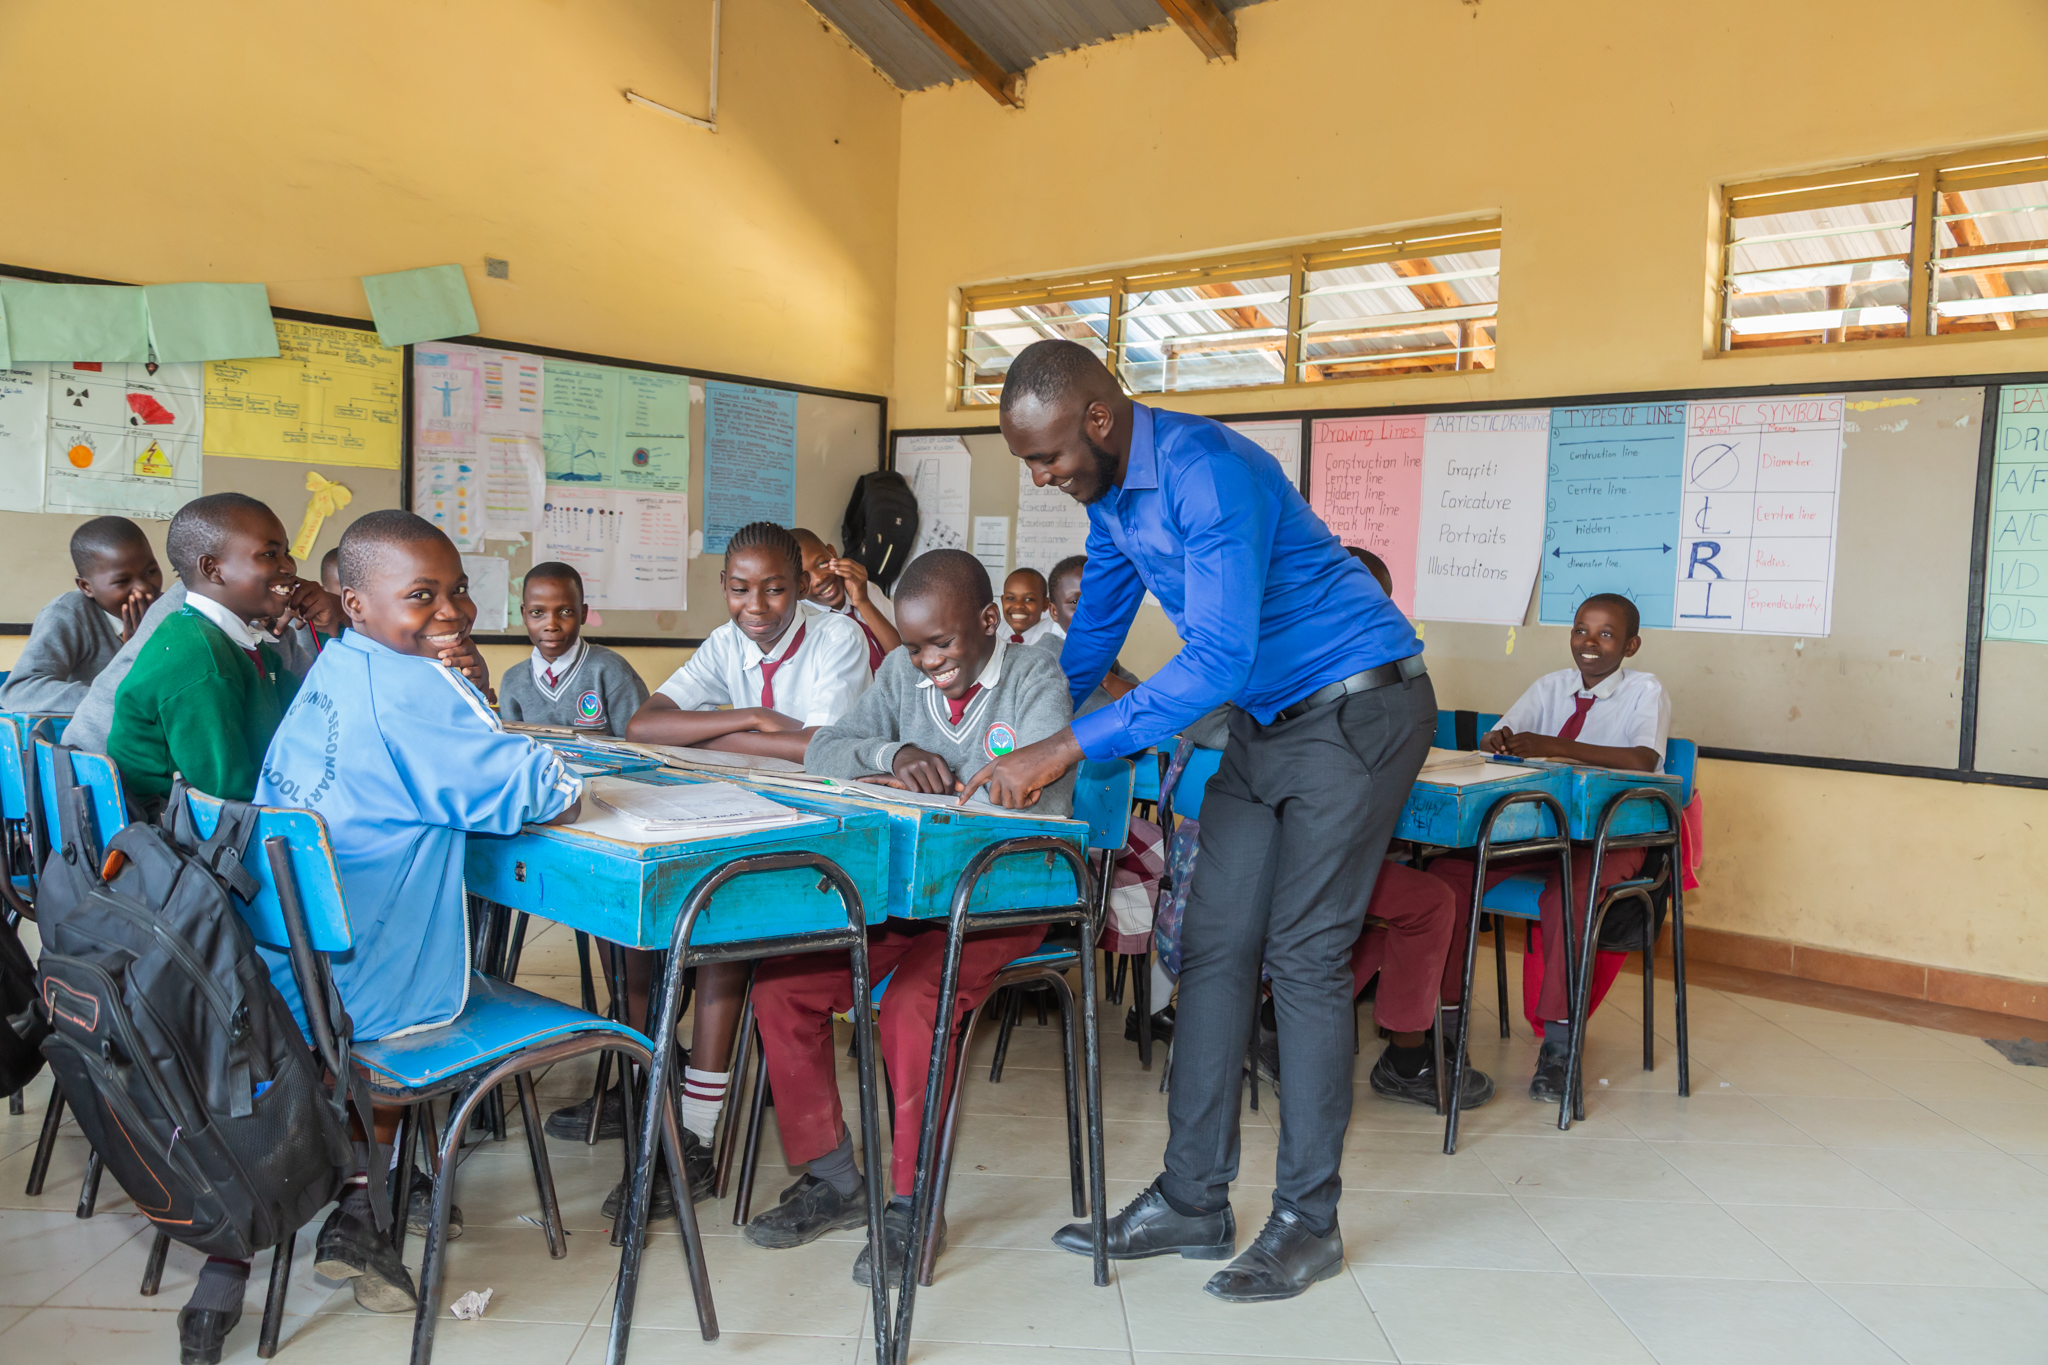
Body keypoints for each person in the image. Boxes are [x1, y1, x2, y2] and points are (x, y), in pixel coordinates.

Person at [970, 339, 1432, 1302]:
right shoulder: (1113, 499)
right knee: (1214, 946)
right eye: (1028, 463)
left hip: (1360, 706)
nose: (1043, 477)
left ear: (1099, 420)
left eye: (1046, 457)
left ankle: (1309, 1221)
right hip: (1271, 721)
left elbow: (1217, 658)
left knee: (1304, 954)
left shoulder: (1206, 472)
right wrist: (1024, 725)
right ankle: (1193, 1197)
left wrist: (1065, 750)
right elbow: (1095, 628)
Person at [255, 511, 583, 1319]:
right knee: (519, 1003)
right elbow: (536, 789)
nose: (451, 611)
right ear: (355, 601)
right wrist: (486, 710)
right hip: (379, 992)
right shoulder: (415, 688)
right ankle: (368, 1196)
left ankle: (368, 1192)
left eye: (459, 591)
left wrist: (464, 700)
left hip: (293, 969)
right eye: (421, 596)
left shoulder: (336, 667)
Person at [742, 548, 1076, 1285]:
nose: (927, 662)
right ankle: (835, 1178)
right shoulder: (900, 673)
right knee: (780, 985)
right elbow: (825, 748)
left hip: (1000, 897)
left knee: (912, 1008)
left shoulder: (1034, 678)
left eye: (943, 643)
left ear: (989, 622)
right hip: (908, 899)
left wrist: (950, 787)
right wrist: (894, 751)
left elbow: (1040, 800)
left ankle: (912, 1200)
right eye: (916, 644)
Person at [580, 522, 870, 1211]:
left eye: (775, 587)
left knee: (720, 931)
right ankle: (652, 1096)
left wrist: (737, 734)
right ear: (724, 588)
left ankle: (697, 1136)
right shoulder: (725, 642)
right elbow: (645, 725)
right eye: (741, 588)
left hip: (823, 834)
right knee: (650, 928)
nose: (758, 605)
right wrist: (756, 717)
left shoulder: (837, 636)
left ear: (801, 586)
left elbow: (817, 749)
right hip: (739, 815)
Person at [96, 495, 313, 1365]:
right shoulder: (196, 659)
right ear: (215, 570)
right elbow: (236, 811)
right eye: (270, 555)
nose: (288, 565)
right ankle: (361, 1154)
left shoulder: (241, 641)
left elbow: (299, 716)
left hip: (191, 876)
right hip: (191, 894)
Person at [1431, 592, 1669, 1100]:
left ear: (1631, 645)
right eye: (1581, 629)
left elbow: (1645, 759)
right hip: (1540, 830)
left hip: (1611, 834)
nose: (1589, 642)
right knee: (1447, 879)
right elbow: (1503, 736)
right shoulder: (1550, 686)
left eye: (1606, 633)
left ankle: (1560, 1047)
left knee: (1567, 894)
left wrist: (1554, 746)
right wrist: (1500, 742)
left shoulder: (1645, 691)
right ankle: (1446, 1033)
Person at [0, 516, 163, 714]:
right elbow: (20, 691)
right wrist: (113, 699)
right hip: (91, 738)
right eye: (122, 581)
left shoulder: (173, 609)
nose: (143, 589)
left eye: (151, 572)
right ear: (86, 587)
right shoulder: (69, 613)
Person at [497, 561, 648, 735]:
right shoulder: (513, 681)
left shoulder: (611, 671)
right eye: (537, 613)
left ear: (583, 614)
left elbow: (639, 746)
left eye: (565, 612)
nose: (551, 625)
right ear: (524, 615)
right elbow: (515, 749)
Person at [794, 525, 900, 670]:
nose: (819, 579)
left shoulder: (866, 589)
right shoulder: (801, 623)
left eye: (822, 563)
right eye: (804, 578)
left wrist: (863, 603)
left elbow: (903, 659)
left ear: (832, 553)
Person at [1042, 554, 1138, 709]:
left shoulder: (1096, 648)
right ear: (1054, 611)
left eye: (1097, 600)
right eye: (1075, 601)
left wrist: (1106, 678)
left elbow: (1148, 698)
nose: (1088, 611)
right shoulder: (1044, 659)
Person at [1000, 567, 1058, 646]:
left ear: (1045, 604)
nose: (1018, 605)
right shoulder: (996, 631)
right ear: (1002, 601)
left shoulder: (1053, 634)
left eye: (1029, 599)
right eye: (1010, 598)